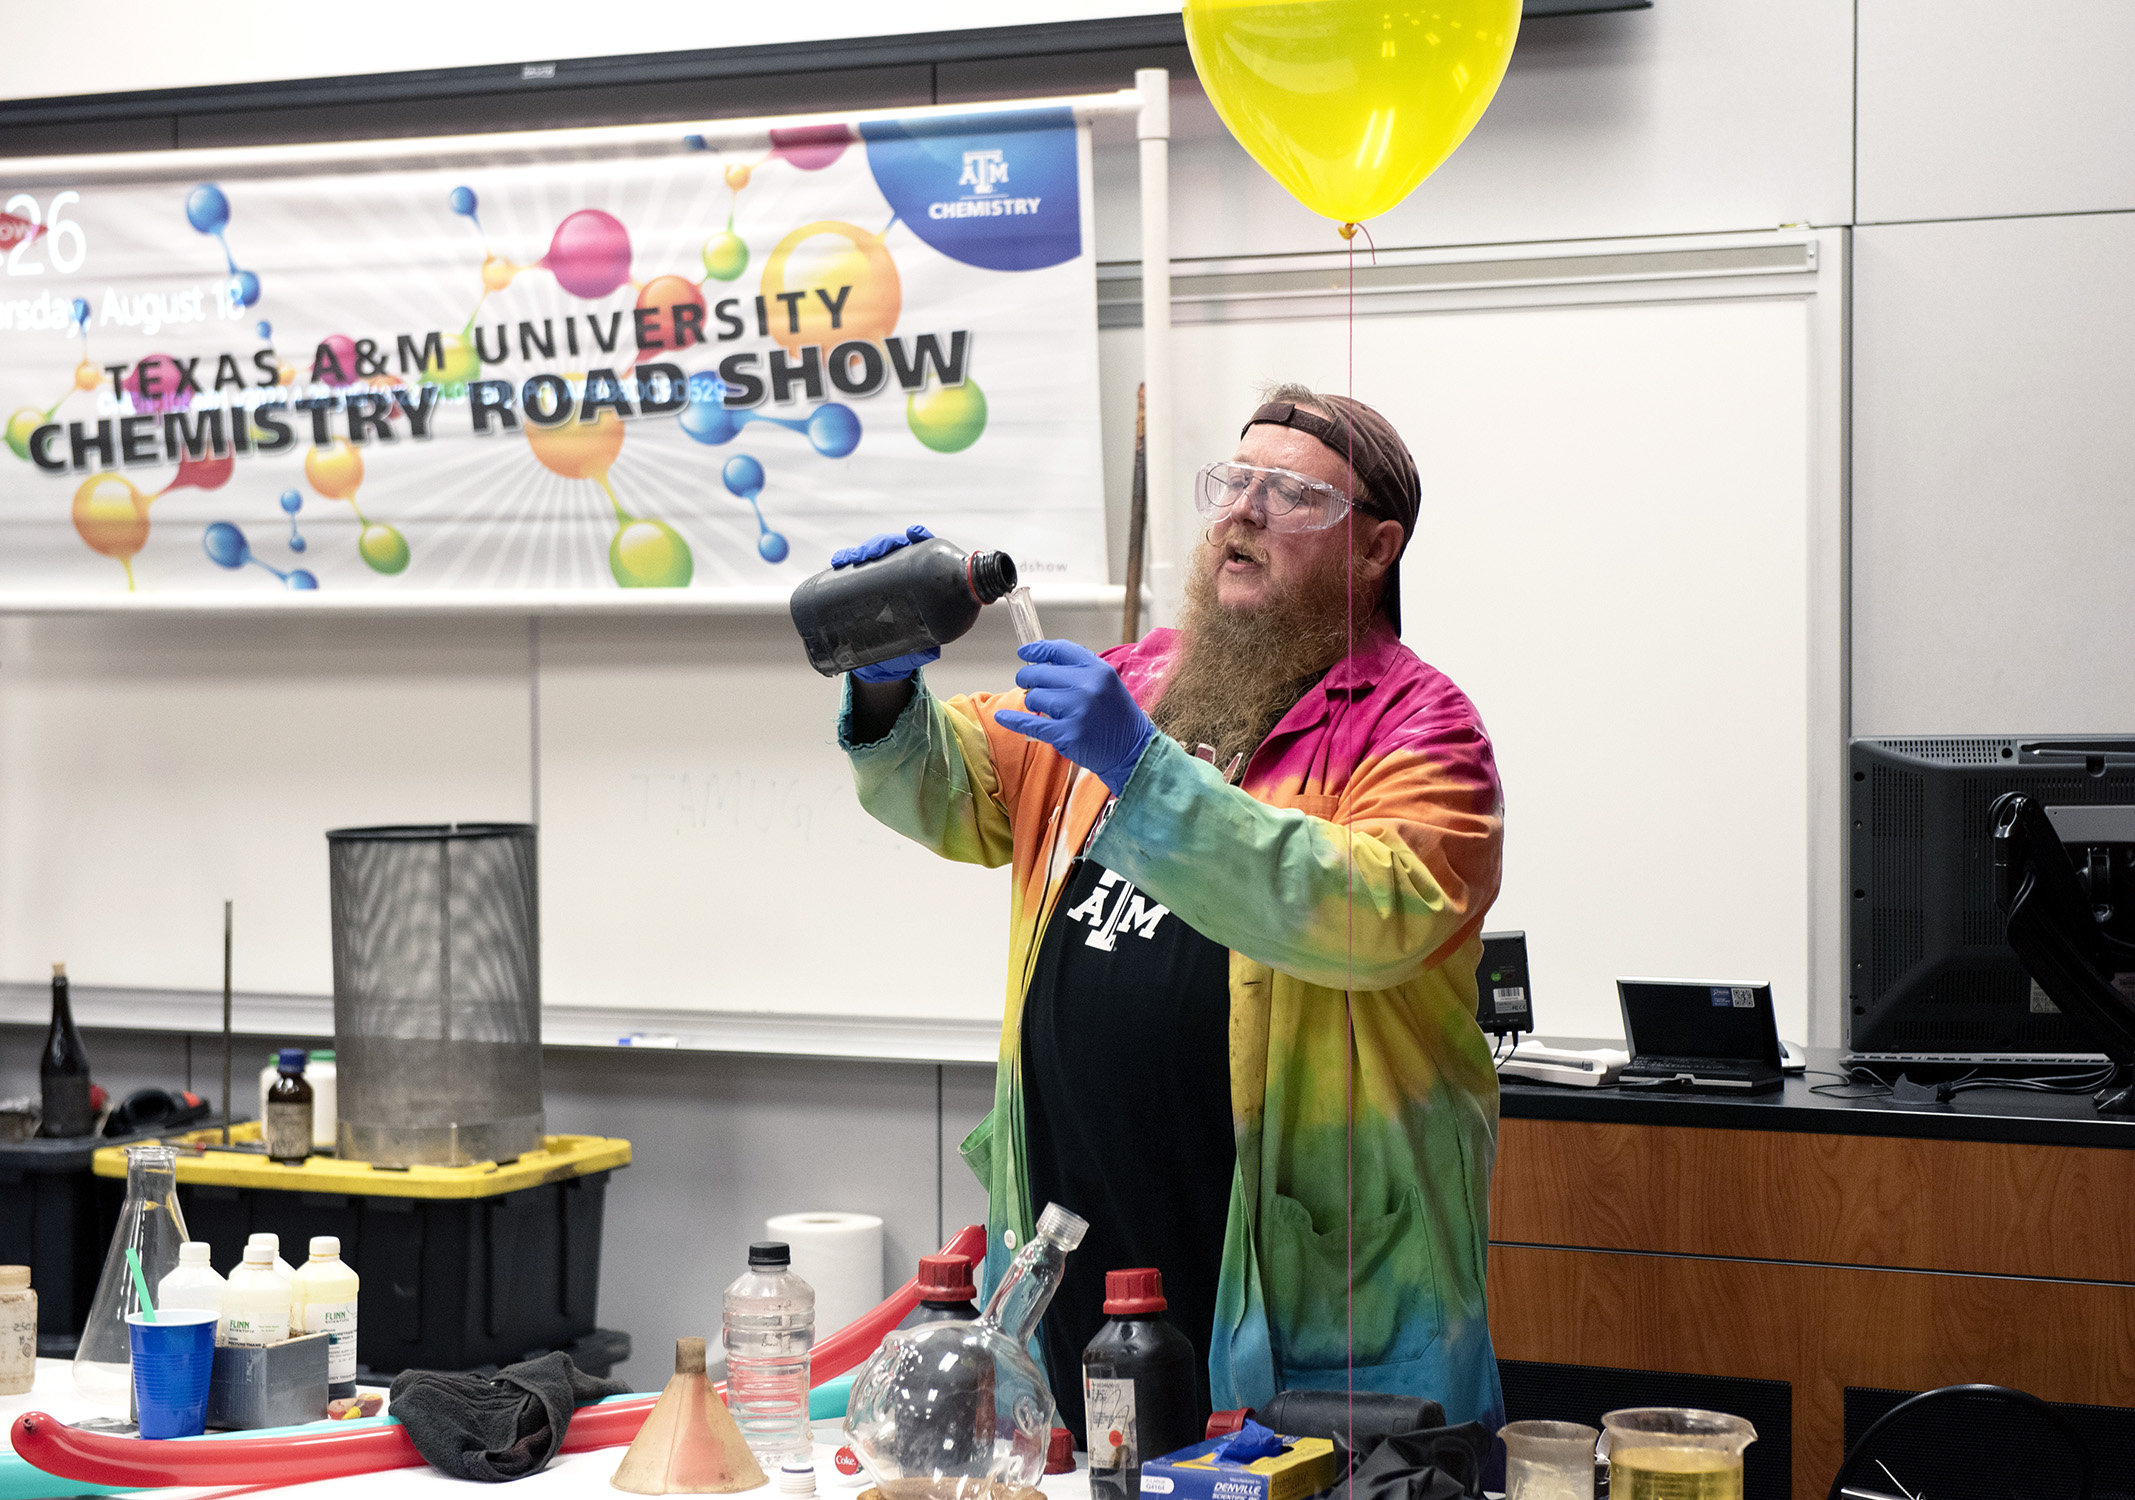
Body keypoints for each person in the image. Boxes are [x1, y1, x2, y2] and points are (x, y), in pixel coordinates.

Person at [837, 385, 1506, 1435]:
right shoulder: (1132, 683)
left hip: (1293, 1266)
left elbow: (1373, 911)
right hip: (1082, 1232)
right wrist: (882, 686)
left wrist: (1140, 774)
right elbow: (952, 785)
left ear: (1375, 550)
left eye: (1288, 494)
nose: (1241, 510)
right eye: (1232, 481)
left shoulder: (1421, 729)